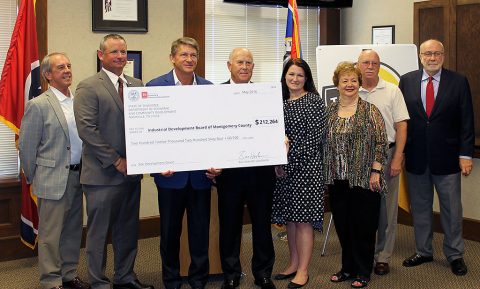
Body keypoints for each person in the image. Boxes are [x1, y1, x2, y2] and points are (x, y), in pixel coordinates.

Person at [74, 34, 153, 289]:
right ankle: (98, 282)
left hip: (132, 173)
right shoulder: (88, 87)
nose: (120, 56)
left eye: (123, 52)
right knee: (99, 234)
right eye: (114, 52)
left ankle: (125, 277)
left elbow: (143, 125)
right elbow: (87, 130)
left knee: (128, 230)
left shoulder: (136, 83)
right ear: (101, 55)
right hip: (102, 175)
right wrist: (116, 160)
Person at [146, 37, 218, 289]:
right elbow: (147, 132)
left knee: (200, 234)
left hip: (201, 177)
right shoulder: (154, 87)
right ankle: (172, 281)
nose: (189, 60)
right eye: (184, 55)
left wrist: (217, 163)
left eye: (193, 55)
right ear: (172, 58)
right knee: (169, 234)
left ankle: (199, 281)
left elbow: (216, 131)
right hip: (170, 176)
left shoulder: (210, 89)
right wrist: (155, 164)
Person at [399, 39, 474, 276]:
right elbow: (402, 120)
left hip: (449, 158)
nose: (432, 58)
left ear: (443, 55)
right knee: (420, 207)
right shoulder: (407, 80)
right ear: (420, 56)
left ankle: (455, 254)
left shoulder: (458, 81)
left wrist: (465, 155)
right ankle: (423, 250)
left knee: (452, 209)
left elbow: (467, 121)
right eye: (428, 53)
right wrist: (400, 153)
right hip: (416, 157)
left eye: (437, 53)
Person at [19, 53, 90, 289]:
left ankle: (68, 275)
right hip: (52, 179)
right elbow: (27, 147)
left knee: (72, 230)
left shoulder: (78, 101)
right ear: (48, 75)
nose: (67, 70)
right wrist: (34, 177)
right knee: (50, 235)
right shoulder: (38, 105)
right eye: (61, 67)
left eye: (69, 66)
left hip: (78, 176)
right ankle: (51, 280)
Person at [215, 48, 276, 289]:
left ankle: (262, 273)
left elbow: (273, 127)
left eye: (249, 63)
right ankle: (231, 274)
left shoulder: (266, 94)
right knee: (229, 226)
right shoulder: (215, 94)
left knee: (262, 225)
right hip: (228, 174)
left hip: (261, 172)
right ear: (229, 65)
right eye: (240, 62)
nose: (244, 66)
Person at [325, 61, 388, 289]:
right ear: (337, 84)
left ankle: (363, 270)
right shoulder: (330, 111)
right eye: (345, 81)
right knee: (343, 225)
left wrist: (376, 170)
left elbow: (382, 142)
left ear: (359, 84)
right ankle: (347, 267)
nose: (349, 84)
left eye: (353, 80)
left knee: (364, 226)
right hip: (337, 178)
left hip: (364, 178)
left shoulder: (370, 111)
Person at [271, 58, 326, 289]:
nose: (295, 79)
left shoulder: (313, 101)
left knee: (303, 222)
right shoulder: (278, 102)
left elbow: (313, 141)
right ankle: (293, 263)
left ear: (307, 78)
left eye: (300, 75)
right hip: (282, 170)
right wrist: (276, 162)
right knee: (291, 220)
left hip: (306, 169)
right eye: (291, 74)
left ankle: (303, 270)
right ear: (284, 76)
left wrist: (287, 161)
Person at [357, 49, 410, 276]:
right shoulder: (350, 89)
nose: (370, 66)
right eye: (366, 62)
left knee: (386, 211)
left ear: (380, 66)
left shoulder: (392, 91)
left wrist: (397, 157)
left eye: (375, 63)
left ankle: (383, 257)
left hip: (387, 156)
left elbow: (402, 127)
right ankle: (362, 253)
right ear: (358, 65)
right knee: (361, 209)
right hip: (357, 157)